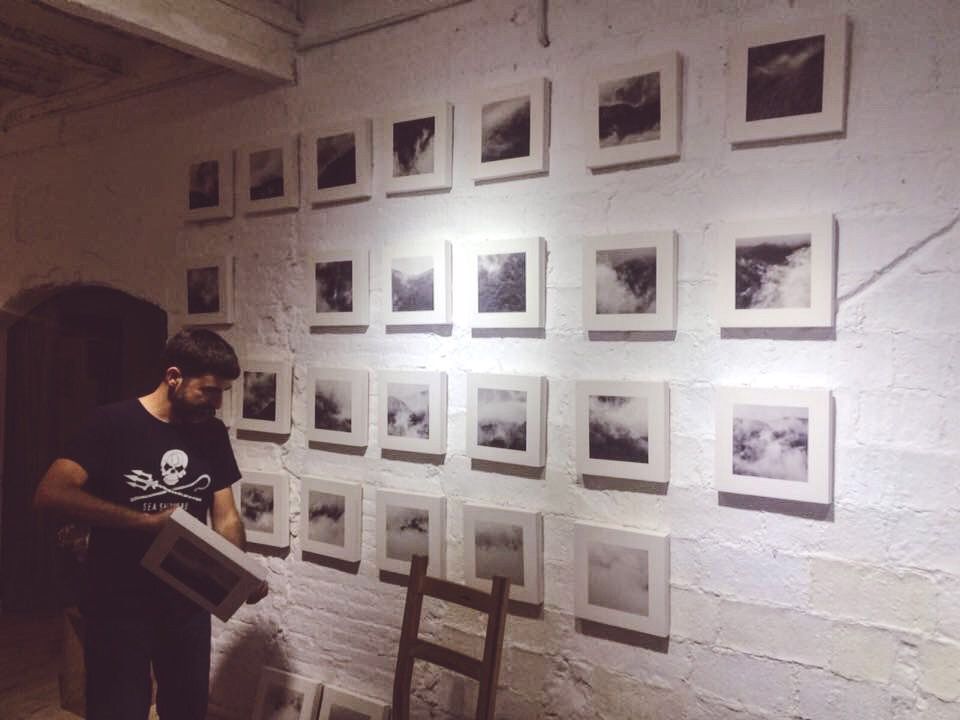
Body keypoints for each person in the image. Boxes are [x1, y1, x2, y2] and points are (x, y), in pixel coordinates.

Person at [34, 328, 268, 720]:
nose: (217, 403)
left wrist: (237, 573)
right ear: (173, 376)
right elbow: (51, 493)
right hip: (117, 603)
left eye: (222, 393)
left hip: (186, 603)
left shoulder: (211, 433)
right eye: (209, 391)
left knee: (186, 710)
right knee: (119, 710)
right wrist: (144, 522)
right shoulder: (111, 423)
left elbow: (225, 514)